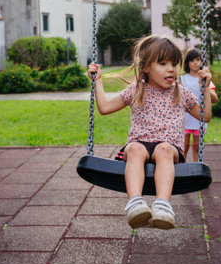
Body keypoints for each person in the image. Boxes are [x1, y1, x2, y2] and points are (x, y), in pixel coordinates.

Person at [87, 35, 212, 230]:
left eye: (174, 63)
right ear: (146, 67)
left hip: (169, 147)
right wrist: (98, 81)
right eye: (162, 63)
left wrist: (205, 89)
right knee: (135, 149)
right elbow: (104, 108)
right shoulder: (136, 90)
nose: (170, 69)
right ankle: (135, 204)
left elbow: (204, 116)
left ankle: (163, 206)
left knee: (163, 149)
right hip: (140, 144)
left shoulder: (182, 92)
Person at [181, 48, 218, 162]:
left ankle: (197, 167)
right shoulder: (182, 79)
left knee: (196, 146)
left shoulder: (205, 79)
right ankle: (181, 167)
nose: (196, 62)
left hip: (199, 118)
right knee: (184, 146)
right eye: (192, 60)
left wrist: (205, 87)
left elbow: (215, 98)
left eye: (198, 60)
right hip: (185, 118)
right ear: (187, 62)